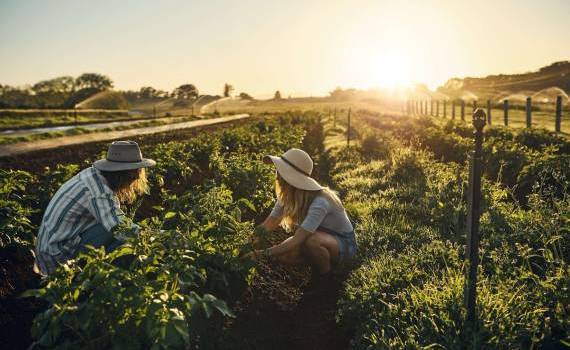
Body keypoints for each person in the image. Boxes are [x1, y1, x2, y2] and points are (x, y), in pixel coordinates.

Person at [34, 141, 155, 275]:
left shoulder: (94, 175)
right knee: (118, 236)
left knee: (112, 228)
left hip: (52, 249)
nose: (137, 176)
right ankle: (114, 277)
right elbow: (119, 227)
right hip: (56, 259)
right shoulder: (98, 190)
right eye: (134, 171)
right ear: (121, 172)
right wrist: (156, 239)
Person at [249, 148, 357, 290]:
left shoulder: (320, 201)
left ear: (290, 177)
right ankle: (318, 265)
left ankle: (326, 280)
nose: (277, 176)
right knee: (285, 254)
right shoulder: (288, 197)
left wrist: (260, 254)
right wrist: (246, 244)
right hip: (319, 238)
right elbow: (269, 224)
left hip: (343, 244)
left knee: (311, 242)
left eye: (279, 172)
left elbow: (297, 240)